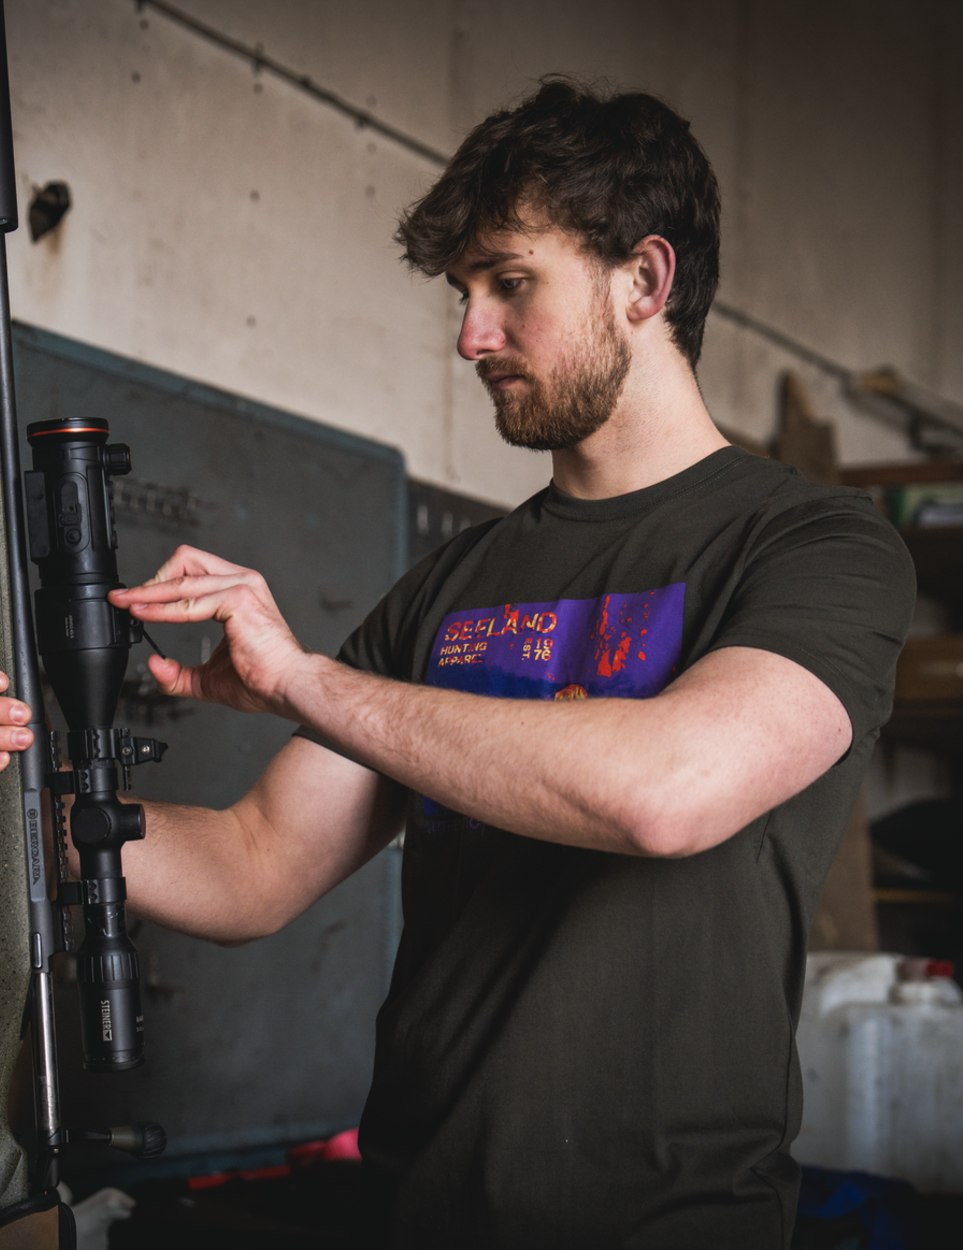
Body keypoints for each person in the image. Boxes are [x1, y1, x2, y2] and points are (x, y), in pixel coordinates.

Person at [0, 78, 914, 1248]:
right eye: (463, 292)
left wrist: (304, 677)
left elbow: (666, 790)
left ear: (645, 279)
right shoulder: (449, 583)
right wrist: (27, 808)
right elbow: (251, 866)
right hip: (416, 1207)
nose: (470, 334)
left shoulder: (811, 545)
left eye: (510, 284)